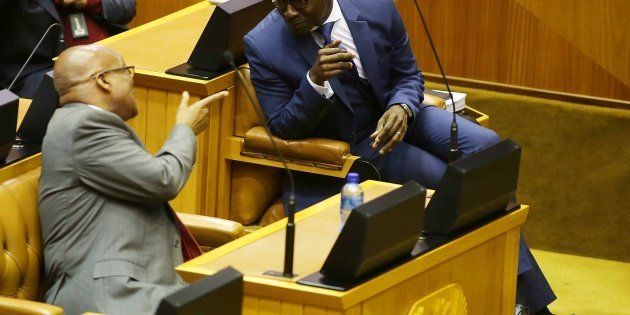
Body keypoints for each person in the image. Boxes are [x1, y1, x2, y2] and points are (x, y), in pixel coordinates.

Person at [244, 0, 555, 313]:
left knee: (487, 149)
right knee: (449, 183)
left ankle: (514, 295)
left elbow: (408, 74)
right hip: (357, 144)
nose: (288, 13)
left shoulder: (375, 6)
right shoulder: (263, 43)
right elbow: (282, 125)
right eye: (279, 3)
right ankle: (524, 303)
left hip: (400, 112)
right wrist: (315, 81)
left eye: (298, 3)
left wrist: (402, 107)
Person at [38, 44, 228, 315]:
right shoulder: (84, 127)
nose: (133, 78)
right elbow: (164, 180)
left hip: (143, 281)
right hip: (112, 292)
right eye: (127, 71)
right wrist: (185, 130)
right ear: (103, 80)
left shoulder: (84, 123)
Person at [0, 0, 136, 98]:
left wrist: (88, 2)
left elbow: (126, 6)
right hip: (40, 69)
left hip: (109, 54)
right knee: (94, 95)